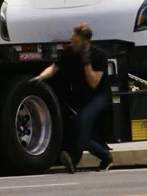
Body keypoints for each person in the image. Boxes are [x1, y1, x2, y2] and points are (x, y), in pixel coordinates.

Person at [32, 23, 114, 172]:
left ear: (85, 42)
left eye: (76, 42)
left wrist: (86, 63)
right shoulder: (69, 52)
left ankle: (105, 156)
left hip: (99, 98)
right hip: (81, 97)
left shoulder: (98, 55)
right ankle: (74, 162)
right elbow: (55, 67)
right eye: (72, 40)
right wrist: (40, 77)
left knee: (82, 123)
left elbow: (93, 82)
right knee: (77, 128)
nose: (72, 44)